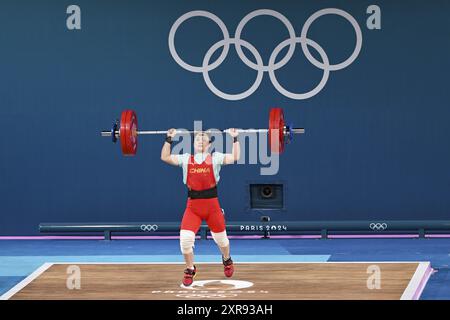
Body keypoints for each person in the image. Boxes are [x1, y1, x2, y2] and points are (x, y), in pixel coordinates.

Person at [161, 129, 240, 286]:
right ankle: (190, 268)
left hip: (212, 207)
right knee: (185, 240)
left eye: (204, 138)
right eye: (198, 138)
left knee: (221, 240)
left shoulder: (215, 158)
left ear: (209, 144)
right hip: (193, 207)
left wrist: (235, 138)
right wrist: (169, 139)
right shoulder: (185, 159)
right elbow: (165, 157)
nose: (200, 140)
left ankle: (227, 259)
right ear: (193, 143)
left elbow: (235, 157)